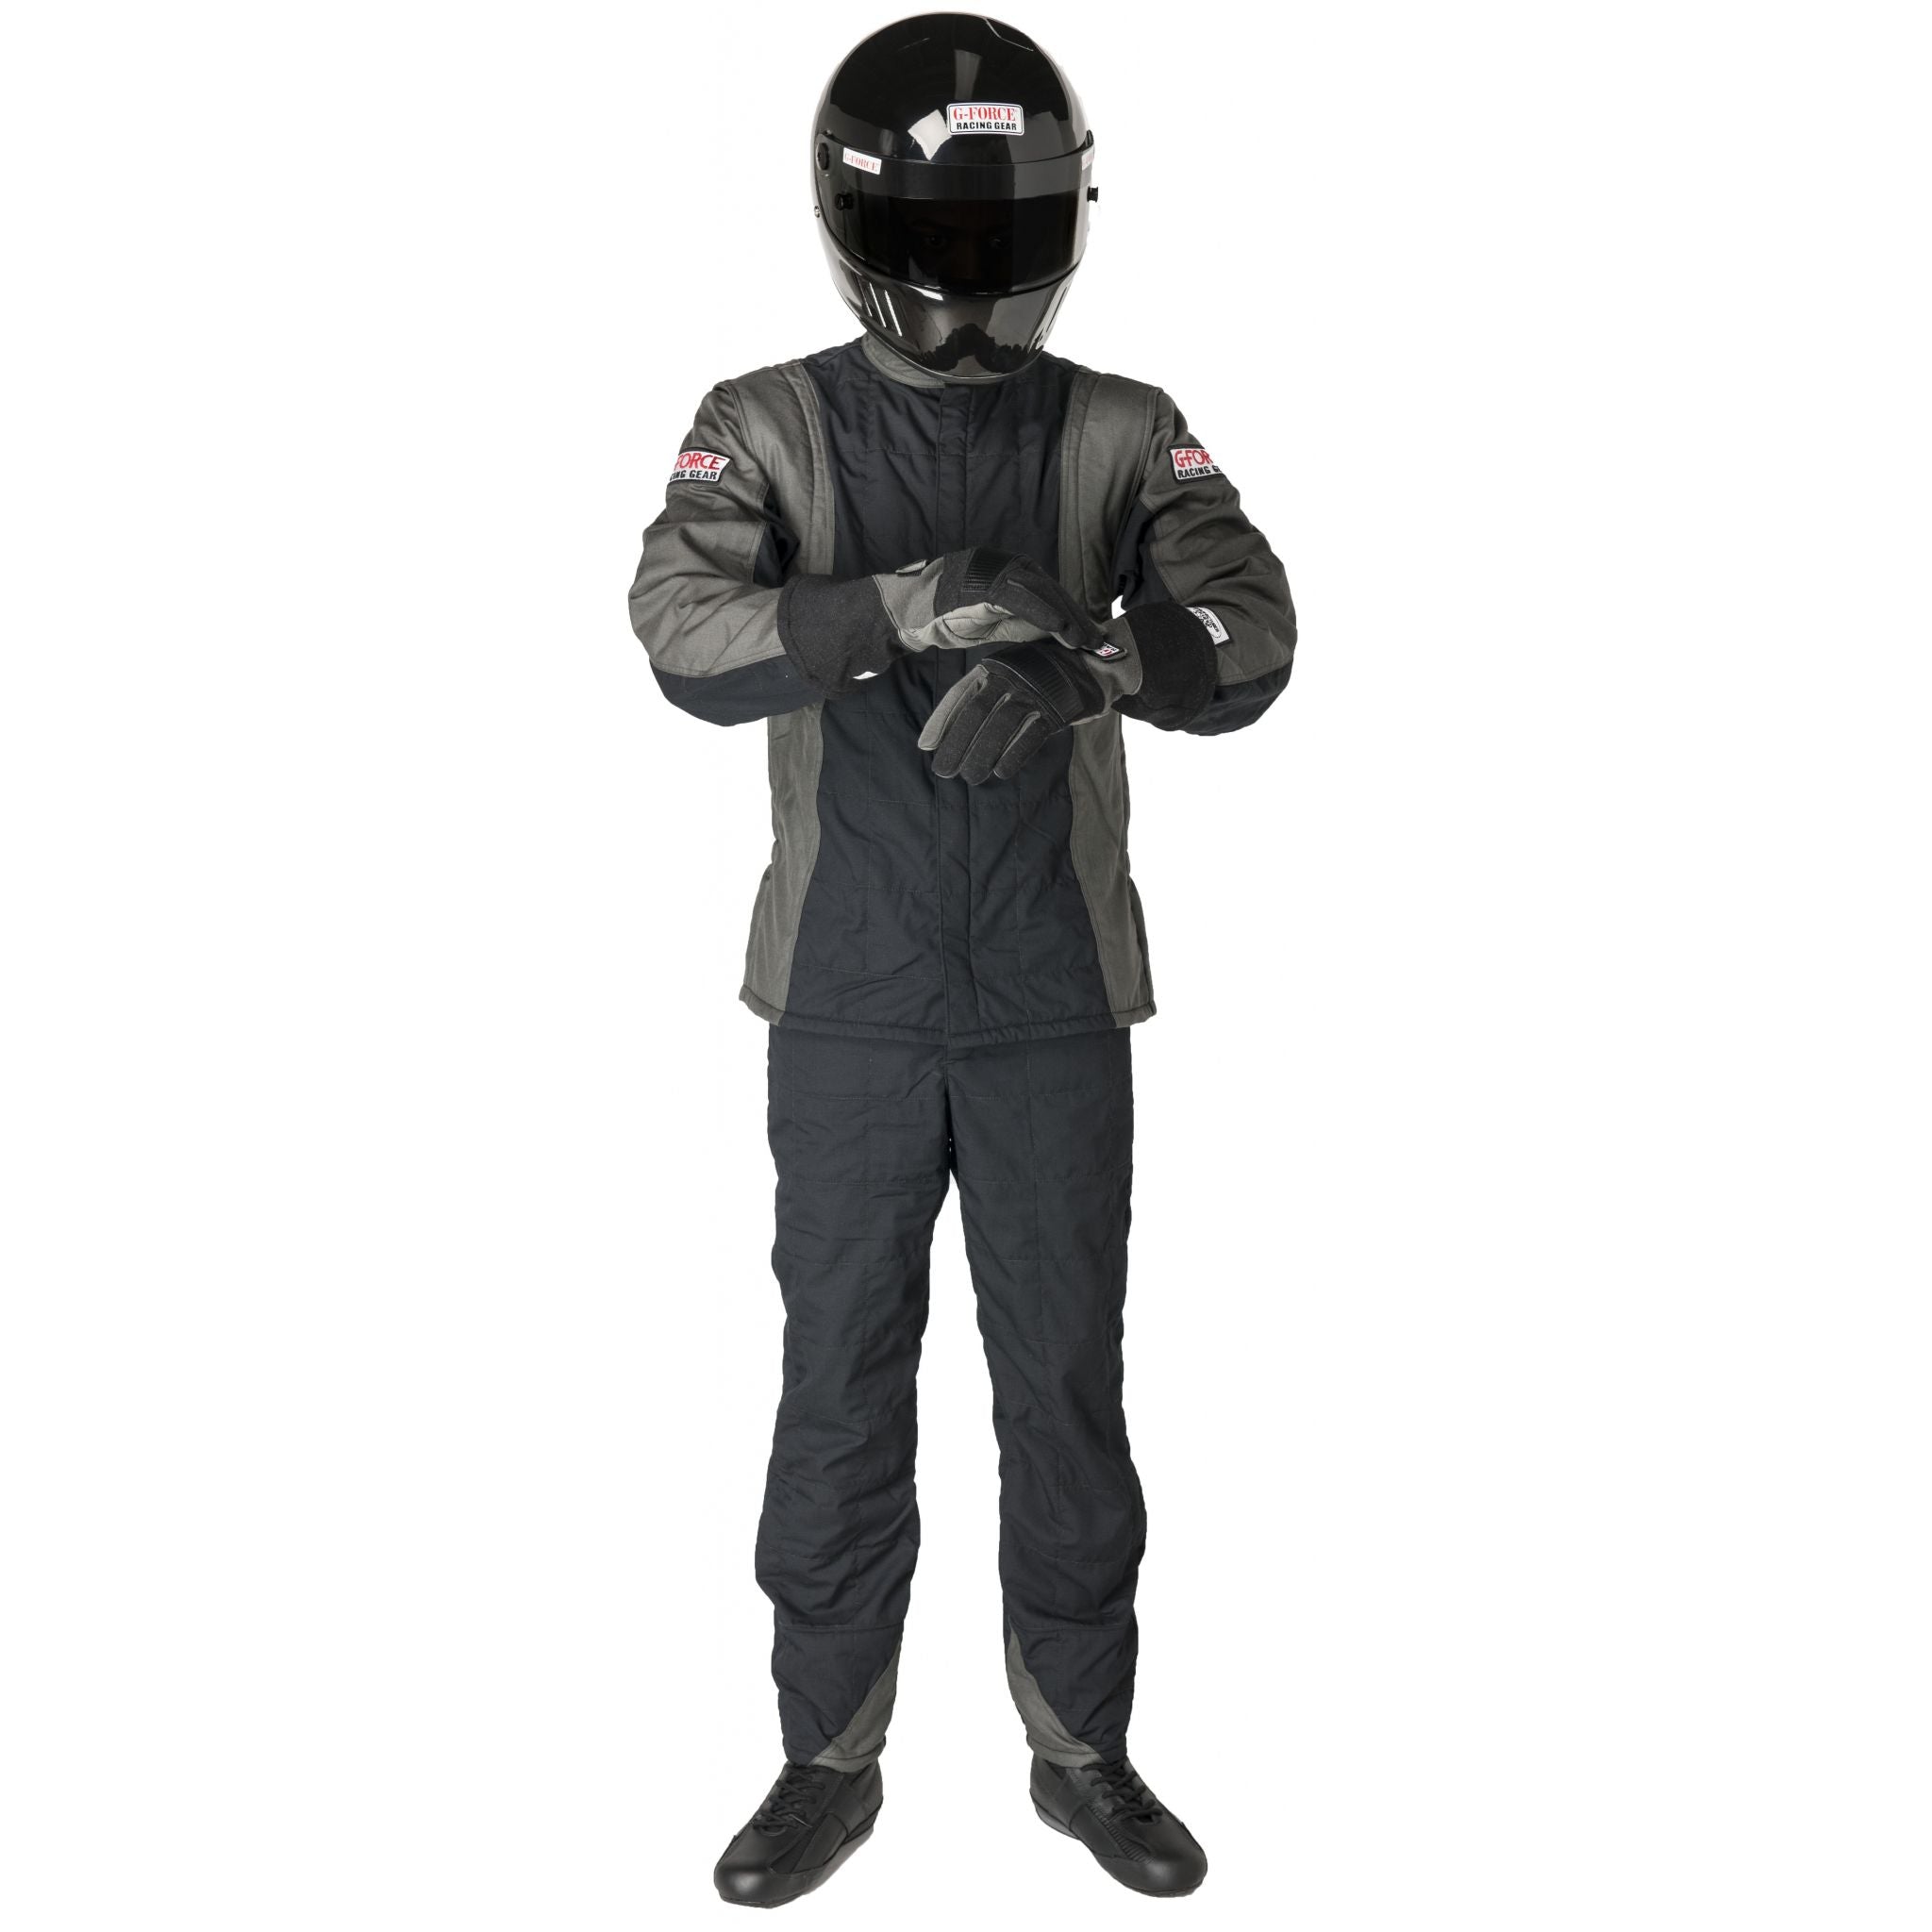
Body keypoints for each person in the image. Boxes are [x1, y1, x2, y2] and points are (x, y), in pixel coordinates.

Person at [629, 13, 1296, 1907]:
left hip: (1053, 995)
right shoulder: (766, 420)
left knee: (1063, 1382)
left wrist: (1100, 660)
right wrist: (908, 602)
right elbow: (680, 626)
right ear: (852, 227)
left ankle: (1084, 1755)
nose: (970, 288)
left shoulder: (1119, 427)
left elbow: (1254, 619)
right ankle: (822, 1761)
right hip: (842, 996)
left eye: (1004, 244)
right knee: (840, 1380)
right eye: (939, 247)